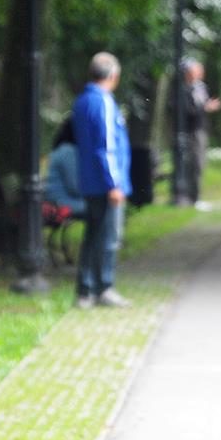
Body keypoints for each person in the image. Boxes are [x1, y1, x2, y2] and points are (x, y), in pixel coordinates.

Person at [72, 51, 132, 309]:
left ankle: (85, 290)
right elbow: (106, 146)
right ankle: (103, 286)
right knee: (107, 238)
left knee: (93, 234)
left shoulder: (83, 100)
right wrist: (114, 184)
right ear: (113, 75)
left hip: (89, 180)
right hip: (105, 183)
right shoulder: (104, 101)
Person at [177, 58, 221, 210]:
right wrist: (206, 107)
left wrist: (207, 107)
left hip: (200, 130)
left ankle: (195, 196)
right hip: (190, 131)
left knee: (200, 163)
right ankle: (191, 197)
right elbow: (187, 111)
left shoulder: (201, 87)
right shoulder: (183, 90)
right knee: (193, 163)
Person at [44, 117, 85, 218]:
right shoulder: (68, 152)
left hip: (60, 201)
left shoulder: (62, 149)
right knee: (103, 206)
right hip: (64, 203)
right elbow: (75, 187)